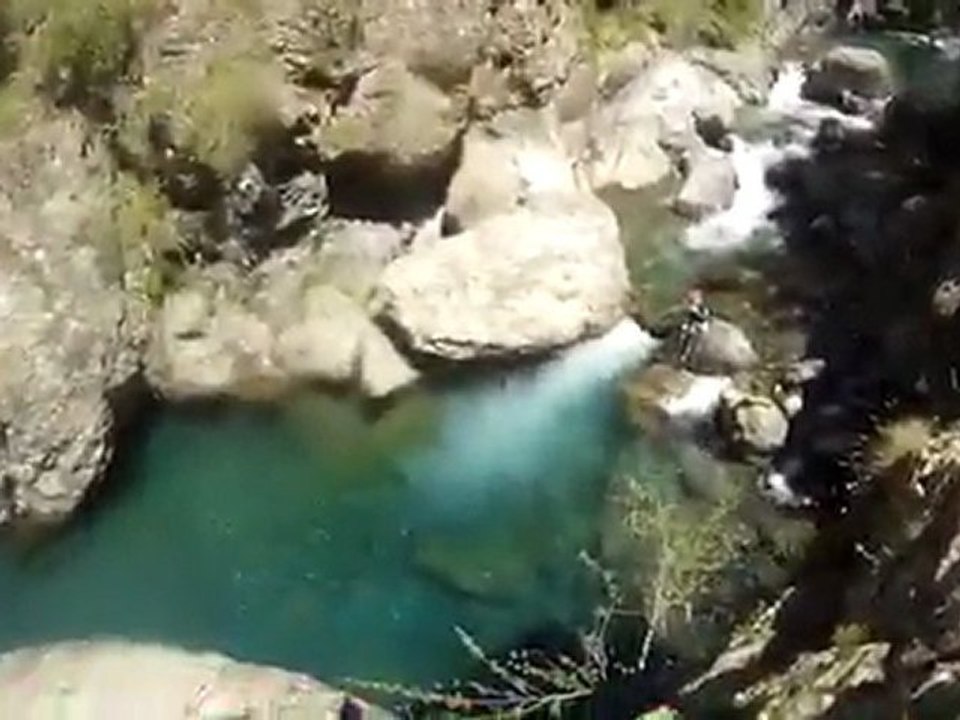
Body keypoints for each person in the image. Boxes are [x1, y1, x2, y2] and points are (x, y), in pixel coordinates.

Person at [677, 288, 712, 366]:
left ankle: (685, 355)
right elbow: (687, 318)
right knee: (683, 332)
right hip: (693, 324)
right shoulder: (691, 307)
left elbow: (703, 318)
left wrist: (695, 313)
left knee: (690, 335)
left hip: (700, 325)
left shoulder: (703, 309)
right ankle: (681, 353)